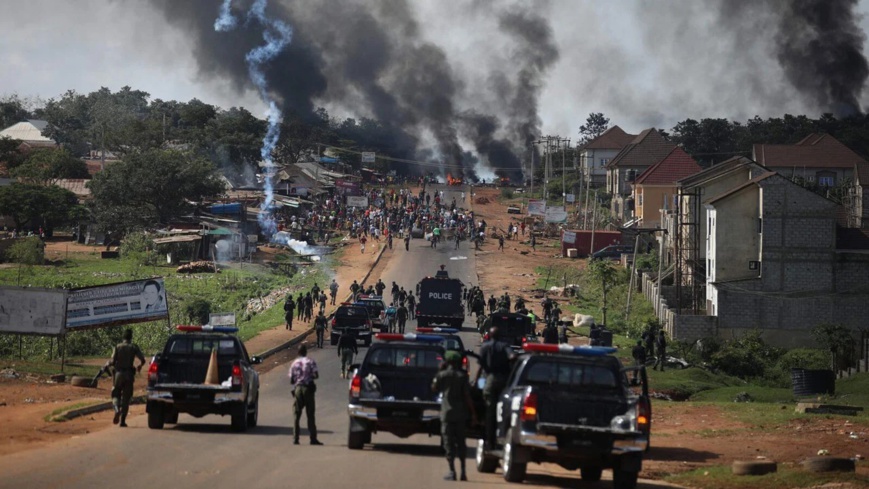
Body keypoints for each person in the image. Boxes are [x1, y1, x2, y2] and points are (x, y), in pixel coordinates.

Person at [432, 350, 477, 482]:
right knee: (461, 444)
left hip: (447, 414)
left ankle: (452, 471)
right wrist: (473, 414)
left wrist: (439, 371)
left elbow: (434, 388)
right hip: (461, 415)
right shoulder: (462, 376)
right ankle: (463, 472)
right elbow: (467, 396)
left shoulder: (443, 375)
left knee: (448, 444)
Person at [478, 326, 514, 449]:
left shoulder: (485, 347)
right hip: (504, 380)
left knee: (489, 410)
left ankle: (489, 440)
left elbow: (480, 365)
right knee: (504, 408)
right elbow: (512, 356)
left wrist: (477, 381)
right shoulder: (504, 346)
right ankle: (502, 435)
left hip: (489, 379)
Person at [109, 329, 146, 427]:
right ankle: (122, 421)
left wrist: (108, 364)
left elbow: (113, 361)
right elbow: (143, 359)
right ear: (131, 337)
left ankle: (117, 409)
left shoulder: (118, 347)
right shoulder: (134, 347)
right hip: (129, 375)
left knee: (116, 394)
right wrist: (139, 366)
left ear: (123, 337)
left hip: (118, 375)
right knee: (126, 398)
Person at [289, 344, 321, 445]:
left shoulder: (295, 363)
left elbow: (291, 379)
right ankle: (312, 438)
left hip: (298, 389)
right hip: (308, 388)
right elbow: (316, 375)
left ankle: (295, 438)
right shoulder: (310, 362)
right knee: (310, 414)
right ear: (306, 352)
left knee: (296, 414)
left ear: (298, 353)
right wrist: (308, 376)